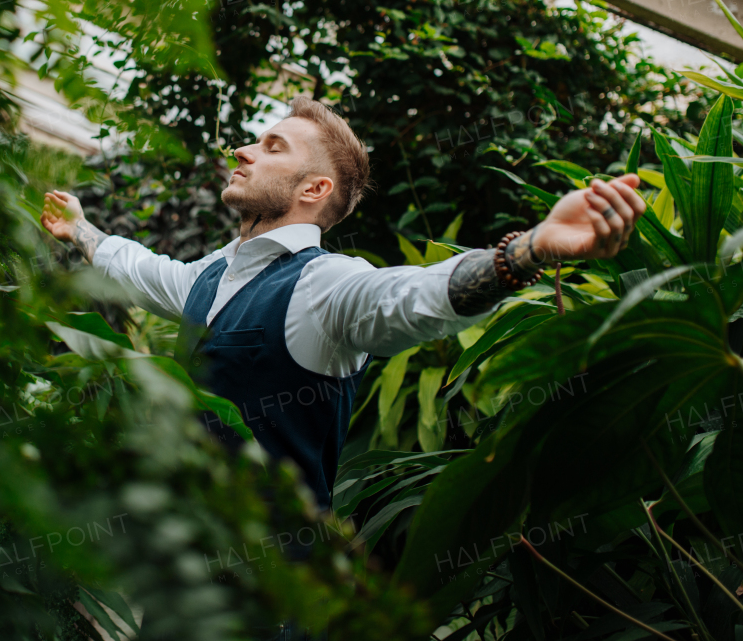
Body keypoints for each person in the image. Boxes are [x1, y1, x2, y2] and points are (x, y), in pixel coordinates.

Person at [41, 95, 645, 510]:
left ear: (313, 189)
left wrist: (529, 251)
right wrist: (83, 231)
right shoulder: (214, 273)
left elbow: (415, 296)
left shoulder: (326, 284)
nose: (245, 152)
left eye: (271, 146)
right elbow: (144, 271)